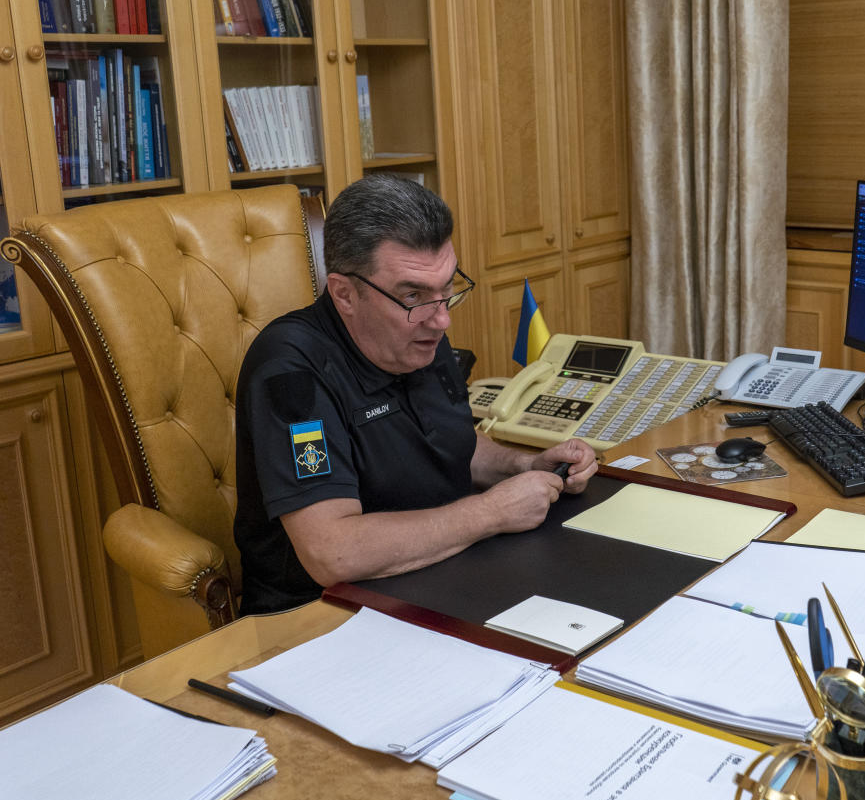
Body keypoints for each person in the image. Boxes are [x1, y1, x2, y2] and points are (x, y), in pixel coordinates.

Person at [234, 175, 598, 614]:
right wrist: (491, 512)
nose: (441, 320)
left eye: (447, 290)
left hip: (446, 573)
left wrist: (521, 466)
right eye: (414, 294)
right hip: (327, 614)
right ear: (345, 294)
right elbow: (332, 553)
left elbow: (444, 439)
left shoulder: (418, 330)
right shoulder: (290, 370)